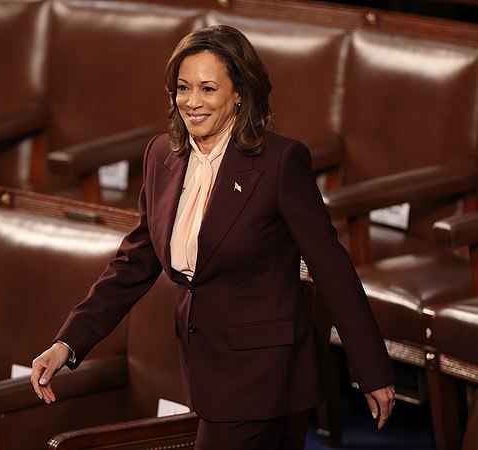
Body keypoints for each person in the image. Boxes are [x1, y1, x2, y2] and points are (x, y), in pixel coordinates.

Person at [31, 25, 395, 449]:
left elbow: (331, 267)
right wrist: (68, 342)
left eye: (208, 88)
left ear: (240, 92)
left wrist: (372, 370)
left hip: (263, 375)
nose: (192, 102)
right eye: (183, 88)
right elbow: (134, 262)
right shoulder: (161, 155)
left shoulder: (278, 163)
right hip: (203, 369)